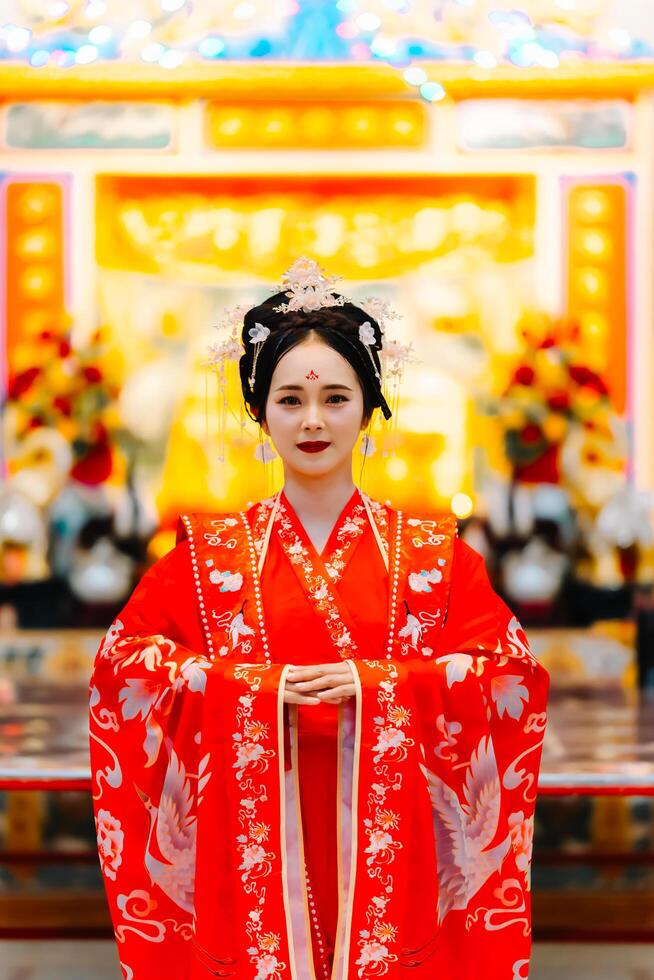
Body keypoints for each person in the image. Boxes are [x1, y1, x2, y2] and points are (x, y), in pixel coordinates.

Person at [89, 258, 550, 980]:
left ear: (369, 407)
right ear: (258, 410)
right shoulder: (206, 560)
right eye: (289, 400)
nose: (312, 420)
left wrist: (383, 687)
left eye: (336, 397)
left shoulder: (436, 558)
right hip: (249, 860)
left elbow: (509, 674)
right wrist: (246, 687)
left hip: (395, 860)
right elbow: (121, 668)